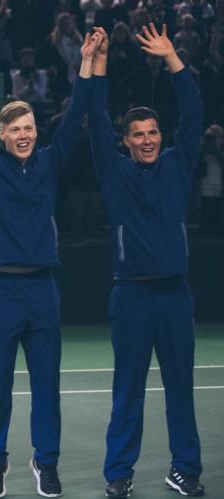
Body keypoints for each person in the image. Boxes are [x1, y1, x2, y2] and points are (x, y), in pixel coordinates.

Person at [0, 30, 99, 499]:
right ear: (2, 134)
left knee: (47, 387)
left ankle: (47, 462)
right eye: (15, 128)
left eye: (30, 127)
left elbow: (76, 116)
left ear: (38, 131)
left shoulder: (51, 163)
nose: (23, 134)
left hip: (42, 289)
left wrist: (84, 65)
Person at [88, 25, 206, 499]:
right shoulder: (114, 172)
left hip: (175, 295)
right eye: (138, 134)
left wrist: (174, 60)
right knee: (128, 392)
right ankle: (119, 473)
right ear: (127, 141)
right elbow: (95, 119)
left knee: (181, 391)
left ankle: (186, 471)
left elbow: (195, 113)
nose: (149, 139)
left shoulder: (178, 164)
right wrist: (97, 65)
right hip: (132, 295)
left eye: (154, 131)